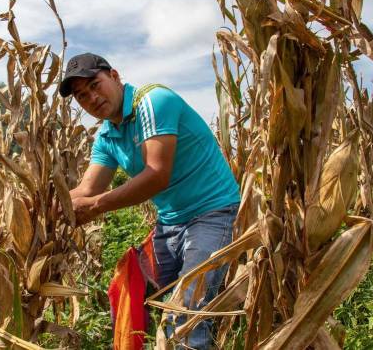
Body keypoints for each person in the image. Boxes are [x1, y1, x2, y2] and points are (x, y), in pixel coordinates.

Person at [60, 52, 241, 349]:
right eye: (81, 96)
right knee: (130, 293)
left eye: (95, 85)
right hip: (170, 224)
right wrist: (45, 205)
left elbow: (157, 175)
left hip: (213, 213)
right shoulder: (108, 136)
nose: (91, 98)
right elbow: (88, 189)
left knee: (184, 318)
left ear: (115, 77)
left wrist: (94, 207)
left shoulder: (153, 102)